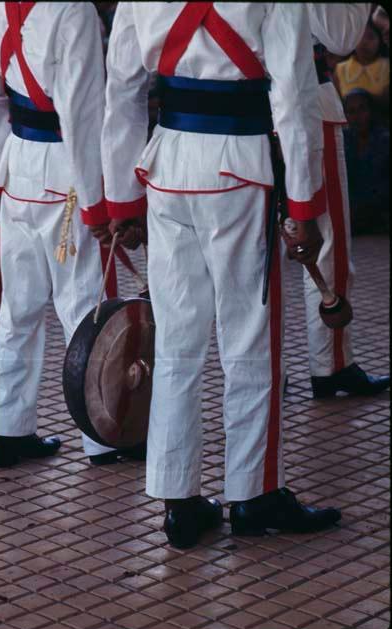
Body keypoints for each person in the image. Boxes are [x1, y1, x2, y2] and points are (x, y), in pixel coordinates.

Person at [101, 2, 341, 549]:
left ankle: (178, 501)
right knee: (250, 339)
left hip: (166, 168)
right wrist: (303, 205)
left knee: (179, 343)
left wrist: (121, 195)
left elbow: (121, 88)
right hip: (241, 168)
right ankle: (255, 494)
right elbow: (294, 92)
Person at [0, 2, 142, 468]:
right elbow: (82, 119)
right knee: (84, 307)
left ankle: (9, 431)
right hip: (67, 175)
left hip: (18, 167)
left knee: (17, 310)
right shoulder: (75, 12)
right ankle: (103, 439)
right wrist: (96, 203)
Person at [303, 4, 390, 398]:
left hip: (234, 114)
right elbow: (340, 35)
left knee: (257, 252)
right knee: (328, 240)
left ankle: (265, 370)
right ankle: (331, 364)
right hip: (305, 102)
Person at [343, 88, 390, 235]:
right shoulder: (344, 141)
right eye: (351, 111)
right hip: (353, 215)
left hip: (380, 213)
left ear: (371, 110)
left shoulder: (385, 139)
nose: (357, 116)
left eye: (362, 109)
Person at [335, 18, 389, 109]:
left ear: (380, 40)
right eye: (359, 37)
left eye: (370, 37)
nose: (364, 42)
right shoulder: (340, 69)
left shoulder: (387, 67)